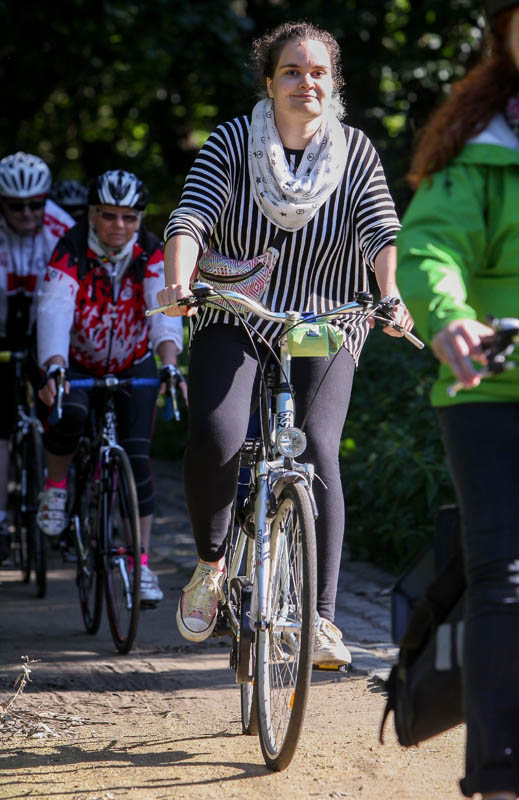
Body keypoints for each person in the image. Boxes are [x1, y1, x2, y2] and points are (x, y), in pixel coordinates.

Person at [157, 21, 413, 664]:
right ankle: (212, 566)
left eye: (318, 71)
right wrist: (179, 281)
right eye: (292, 71)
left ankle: (321, 619)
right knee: (216, 435)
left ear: (335, 83)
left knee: (319, 448)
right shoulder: (233, 142)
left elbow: (381, 229)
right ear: (269, 83)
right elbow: (191, 217)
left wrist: (389, 293)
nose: (306, 82)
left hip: (325, 316)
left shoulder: (355, 152)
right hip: (237, 310)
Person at [396, 2, 519, 797]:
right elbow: (431, 244)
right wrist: (447, 318)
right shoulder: (481, 146)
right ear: (504, 36)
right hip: (489, 384)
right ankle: (499, 777)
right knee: (503, 574)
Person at [36, 169, 186, 606]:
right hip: (78, 359)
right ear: (91, 214)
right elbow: (55, 307)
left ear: (140, 218)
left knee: (137, 459)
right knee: (70, 415)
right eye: (108, 215)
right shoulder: (70, 247)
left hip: (132, 361)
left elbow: (164, 311)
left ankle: (141, 565)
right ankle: (56, 488)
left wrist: (169, 365)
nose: (119, 225)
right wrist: (55, 365)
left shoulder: (151, 251)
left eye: (129, 217)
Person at [0, 152, 74, 563]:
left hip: (44, 326)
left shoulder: (61, 228)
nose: (27, 213)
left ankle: (63, 497)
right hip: (3, 324)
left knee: (58, 410)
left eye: (35, 204)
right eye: (16, 206)